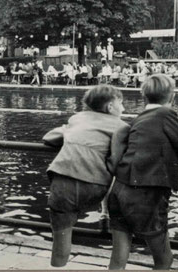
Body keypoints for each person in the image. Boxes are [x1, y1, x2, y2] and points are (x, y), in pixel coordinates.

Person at [108, 74, 178, 270]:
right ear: (172, 97)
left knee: (119, 255)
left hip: (119, 188)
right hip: (147, 193)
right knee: (164, 260)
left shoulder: (138, 119)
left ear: (144, 98)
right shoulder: (166, 115)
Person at [42, 85, 128, 267]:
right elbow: (115, 162)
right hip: (95, 184)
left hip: (62, 180)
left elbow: (48, 138)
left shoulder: (77, 118)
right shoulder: (122, 126)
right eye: (121, 104)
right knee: (121, 226)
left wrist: (68, 133)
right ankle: (105, 216)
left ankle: (58, 266)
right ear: (111, 106)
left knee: (61, 240)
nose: (124, 108)